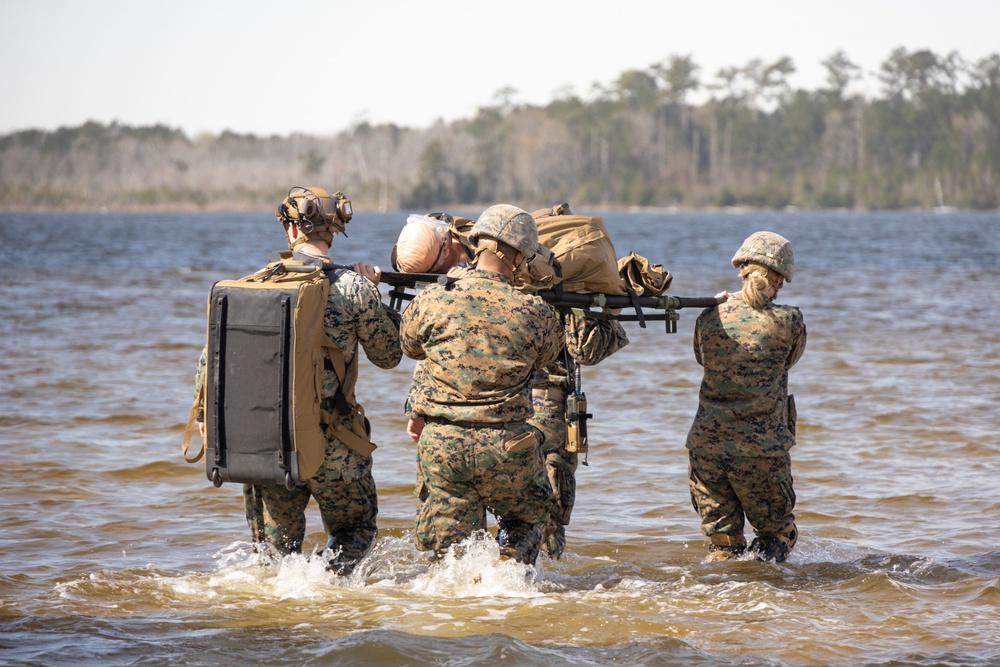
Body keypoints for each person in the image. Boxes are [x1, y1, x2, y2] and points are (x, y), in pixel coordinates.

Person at [193, 186, 402, 574]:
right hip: (334, 446)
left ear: (291, 231)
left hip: (270, 442)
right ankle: (324, 586)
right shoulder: (355, 289)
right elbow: (389, 357)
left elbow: (213, 359)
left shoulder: (256, 285)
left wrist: (207, 417)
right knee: (355, 531)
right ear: (335, 231)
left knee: (274, 555)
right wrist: (375, 293)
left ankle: (287, 611)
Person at [399, 204, 564, 565]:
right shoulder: (535, 311)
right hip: (508, 447)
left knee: (449, 563)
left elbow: (410, 346)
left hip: (444, 447)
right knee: (525, 520)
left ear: (476, 244)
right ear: (521, 256)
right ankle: (508, 572)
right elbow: (549, 356)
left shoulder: (431, 300)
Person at [686, 231, 806, 563]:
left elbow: (703, 358)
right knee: (776, 536)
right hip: (761, 453)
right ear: (779, 278)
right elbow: (789, 360)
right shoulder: (789, 321)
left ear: (743, 269)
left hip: (707, 453)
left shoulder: (708, 315)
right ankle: (763, 599)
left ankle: (721, 606)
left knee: (723, 545)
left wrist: (721, 308)